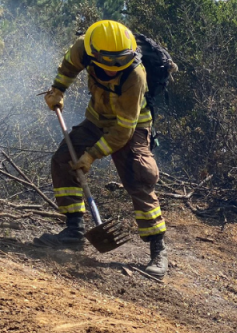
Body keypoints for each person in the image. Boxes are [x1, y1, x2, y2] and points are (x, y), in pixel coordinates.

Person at [36, 20, 174, 279]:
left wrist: (91, 155)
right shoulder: (83, 48)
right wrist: (58, 90)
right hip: (97, 117)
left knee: (138, 176)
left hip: (131, 125)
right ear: (94, 54)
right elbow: (68, 67)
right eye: (108, 65)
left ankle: (158, 249)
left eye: (118, 64)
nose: (113, 71)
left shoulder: (135, 75)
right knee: (64, 159)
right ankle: (74, 230)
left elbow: (123, 130)